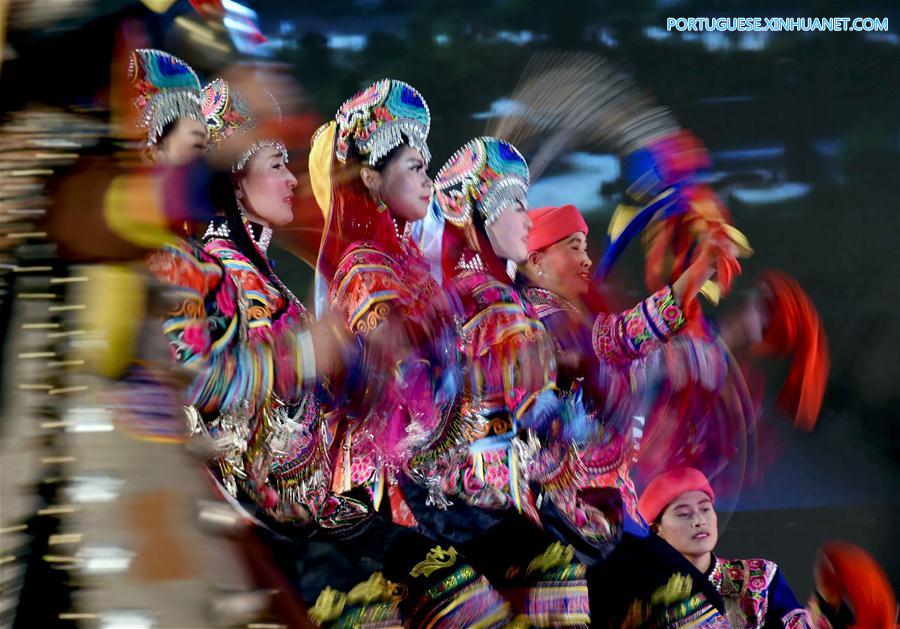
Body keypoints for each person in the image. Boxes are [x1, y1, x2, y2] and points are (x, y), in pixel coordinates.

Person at [308, 79, 515, 627]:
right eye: (414, 167)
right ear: (372, 177)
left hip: (432, 472)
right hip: (382, 483)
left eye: (427, 165)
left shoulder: (411, 263)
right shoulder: (362, 263)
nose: (428, 179)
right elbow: (398, 370)